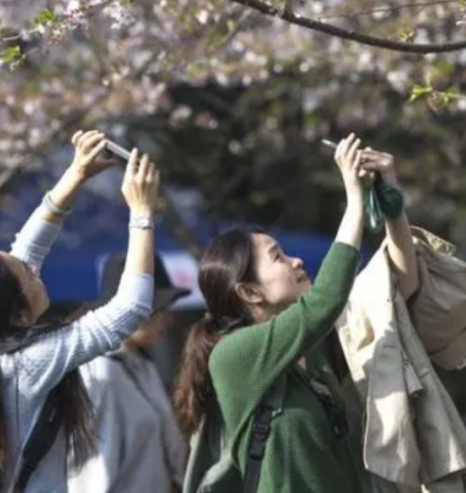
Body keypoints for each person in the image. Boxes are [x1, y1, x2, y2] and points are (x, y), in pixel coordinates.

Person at [0, 130, 161, 493]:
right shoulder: (30, 362)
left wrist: (76, 175)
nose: (34, 267)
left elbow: (26, 250)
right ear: (18, 316)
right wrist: (142, 213)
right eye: (28, 275)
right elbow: (130, 309)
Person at [173, 134, 419, 493]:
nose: (296, 261)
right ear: (249, 291)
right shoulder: (233, 355)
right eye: (278, 256)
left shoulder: (312, 352)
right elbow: (325, 302)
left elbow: (401, 289)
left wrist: (392, 207)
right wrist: (353, 199)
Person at [67, 252, 190, 493]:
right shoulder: (96, 370)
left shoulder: (141, 365)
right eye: (160, 307)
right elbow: (90, 476)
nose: (168, 319)